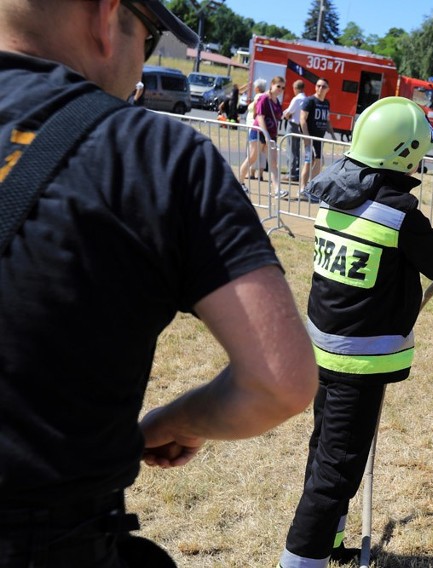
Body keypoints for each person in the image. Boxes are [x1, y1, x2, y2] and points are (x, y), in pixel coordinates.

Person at [0, 1, 319, 567]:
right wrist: (179, 421)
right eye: (146, 42)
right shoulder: (152, 155)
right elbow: (281, 381)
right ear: (104, 17)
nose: (141, 71)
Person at [277, 97, 433, 568]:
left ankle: (331, 544)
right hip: (359, 364)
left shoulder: (335, 196)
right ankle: (298, 562)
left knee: (323, 456)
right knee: (335, 473)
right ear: (406, 152)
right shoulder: (397, 213)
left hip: (323, 354)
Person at [239, 75, 285, 196]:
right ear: (272, 85)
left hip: (271, 134)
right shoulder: (264, 98)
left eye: (283, 88)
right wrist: (266, 135)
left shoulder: (277, 101)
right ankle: (239, 183)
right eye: (278, 86)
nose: (280, 89)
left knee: (273, 162)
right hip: (259, 132)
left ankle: (277, 190)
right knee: (252, 158)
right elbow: (260, 117)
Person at [298, 78, 335, 200]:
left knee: (318, 162)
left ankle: (309, 188)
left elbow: (327, 120)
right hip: (310, 137)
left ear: (328, 89)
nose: (320, 88)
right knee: (309, 162)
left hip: (320, 138)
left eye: (323, 86)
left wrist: (333, 135)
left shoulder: (327, 103)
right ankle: (303, 189)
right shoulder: (310, 101)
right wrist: (307, 137)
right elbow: (302, 119)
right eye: (318, 85)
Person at [245, 78, 268, 181]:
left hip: (253, 126)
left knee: (253, 150)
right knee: (262, 151)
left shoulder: (258, 97)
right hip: (259, 127)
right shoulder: (264, 97)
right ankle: (261, 173)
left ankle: (252, 172)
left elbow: (255, 111)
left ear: (257, 88)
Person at [283, 79, 306, 182]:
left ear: (296, 88)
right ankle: (296, 172)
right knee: (297, 150)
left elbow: (288, 112)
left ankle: (291, 173)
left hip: (293, 125)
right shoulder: (305, 99)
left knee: (291, 149)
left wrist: (286, 115)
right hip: (300, 126)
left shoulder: (296, 99)